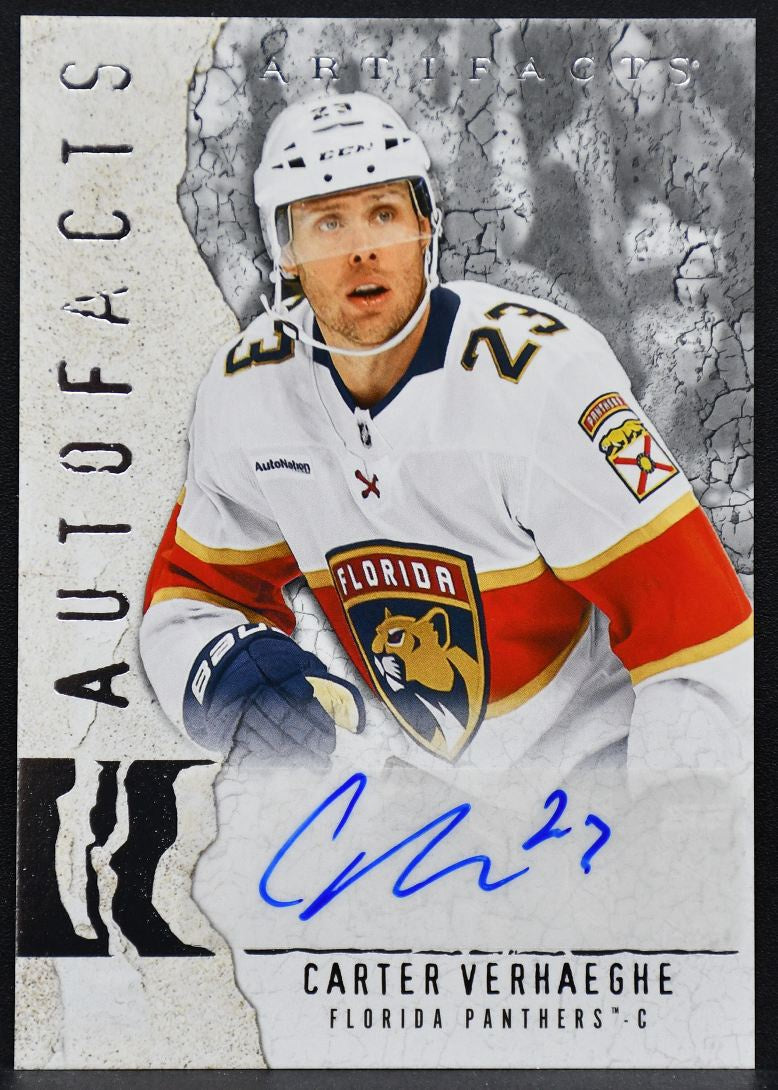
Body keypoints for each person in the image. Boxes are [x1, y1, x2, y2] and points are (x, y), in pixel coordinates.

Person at [139, 91, 752, 778]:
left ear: (426, 224)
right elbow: (191, 595)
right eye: (329, 223)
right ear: (285, 250)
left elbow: (699, 628)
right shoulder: (247, 391)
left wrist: (678, 811)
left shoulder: (545, 377)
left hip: (604, 770)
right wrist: (239, 678)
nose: (363, 249)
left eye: (384, 213)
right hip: (431, 796)